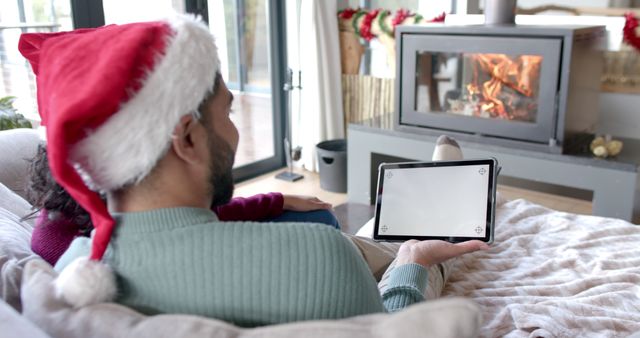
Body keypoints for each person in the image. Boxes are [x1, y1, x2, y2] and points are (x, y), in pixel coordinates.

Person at [18, 14, 488, 326]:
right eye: (227, 112)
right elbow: (392, 325)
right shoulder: (318, 257)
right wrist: (413, 266)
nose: (236, 130)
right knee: (412, 251)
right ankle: (430, 216)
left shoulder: (71, 273)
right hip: (344, 269)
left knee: (375, 238)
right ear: (187, 139)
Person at [25, 144, 339, 266]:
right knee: (323, 229)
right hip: (201, 256)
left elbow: (202, 214)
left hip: (199, 237)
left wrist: (279, 198)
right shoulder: (61, 243)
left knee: (319, 217)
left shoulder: (114, 199)